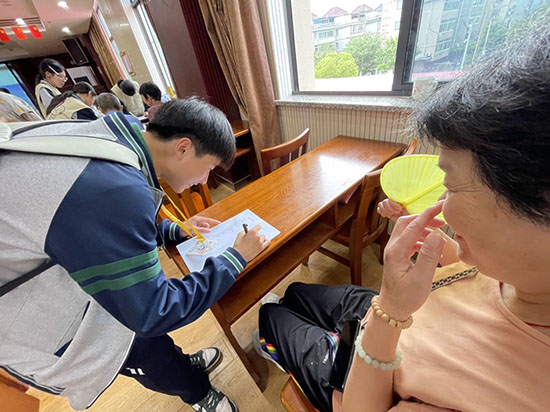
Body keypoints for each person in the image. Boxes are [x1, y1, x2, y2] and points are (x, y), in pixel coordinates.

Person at [257, 24, 550, 412]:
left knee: (270, 315)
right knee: (298, 291)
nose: (442, 204)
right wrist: (432, 241)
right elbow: (473, 272)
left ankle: (272, 327)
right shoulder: (521, 272)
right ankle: (291, 302)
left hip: (371, 360)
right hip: (392, 311)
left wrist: (392, 312)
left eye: (453, 186)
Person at [0, 98, 270, 412]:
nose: (205, 180)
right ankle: (197, 393)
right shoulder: (115, 189)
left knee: (155, 346)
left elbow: (95, 233)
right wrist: (235, 258)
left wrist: (170, 231)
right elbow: (154, 312)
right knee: (142, 353)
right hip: (39, 316)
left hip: (59, 276)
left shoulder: (113, 138)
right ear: (183, 148)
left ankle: (184, 365)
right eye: (208, 168)